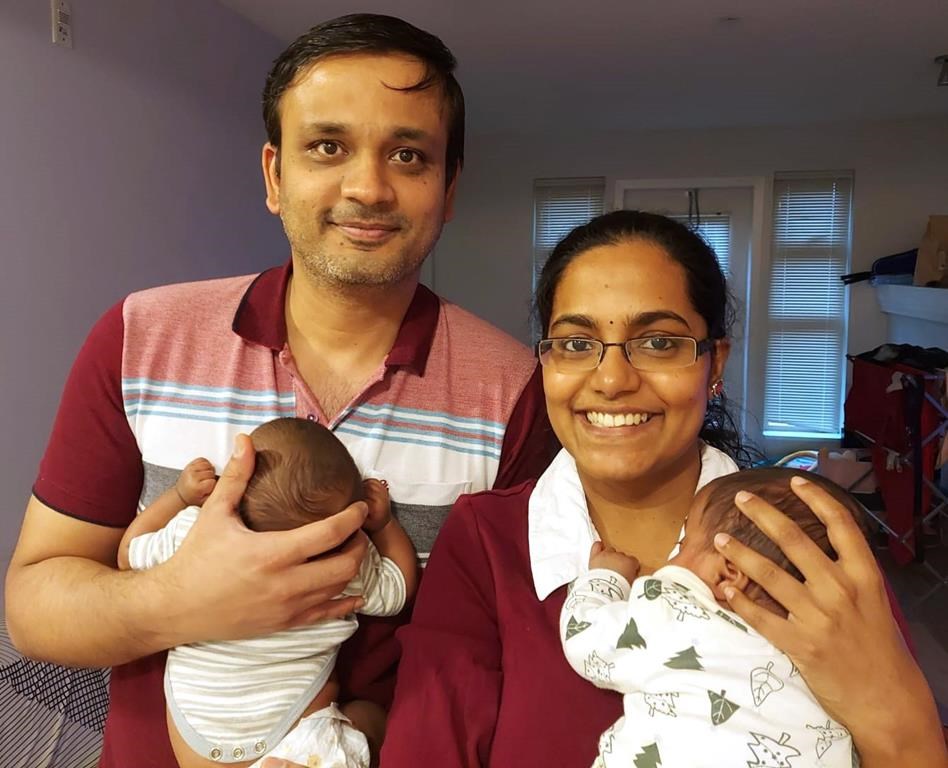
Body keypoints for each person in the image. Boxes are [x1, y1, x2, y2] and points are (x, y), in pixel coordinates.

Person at [4, 14, 554, 768]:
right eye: (327, 147)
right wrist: (185, 598)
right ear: (274, 175)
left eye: (408, 154)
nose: (367, 186)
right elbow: (34, 609)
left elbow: (508, 651)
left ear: (448, 188)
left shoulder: (517, 389)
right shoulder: (140, 337)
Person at [380, 211, 948, 768]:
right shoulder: (489, 539)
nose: (611, 380)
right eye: (576, 343)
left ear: (714, 363)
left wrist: (893, 713)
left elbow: (907, 743)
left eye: (657, 342)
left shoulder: (803, 530)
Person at [118, 417, 416, 768]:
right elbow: (399, 587)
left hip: (200, 747)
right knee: (367, 716)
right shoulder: (343, 565)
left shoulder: (195, 536)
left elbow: (129, 554)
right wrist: (383, 526)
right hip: (299, 748)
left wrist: (179, 497)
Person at [561, 467, 871, 768]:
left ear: (728, 573)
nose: (673, 557)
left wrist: (606, 577)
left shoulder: (675, 609)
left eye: (683, 544)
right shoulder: (833, 659)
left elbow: (585, 637)